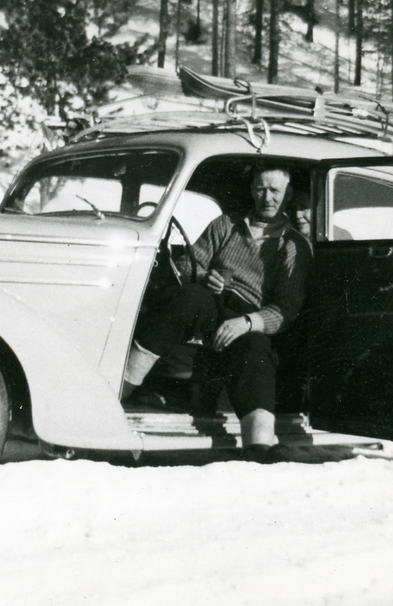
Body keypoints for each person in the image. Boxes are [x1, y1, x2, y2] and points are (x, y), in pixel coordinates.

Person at [122, 166, 312, 462]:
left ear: (287, 194)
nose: (267, 197)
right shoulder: (226, 225)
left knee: (255, 349)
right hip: (209, 304)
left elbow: (285, 309)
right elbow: (186, 267)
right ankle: (117, 393)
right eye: (261, 189)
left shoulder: (292, 247)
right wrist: (203, 276)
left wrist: (248, 323)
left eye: (275, 191)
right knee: (187, 298)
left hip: (249, 317)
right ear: (251, 190)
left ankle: (258, 445)